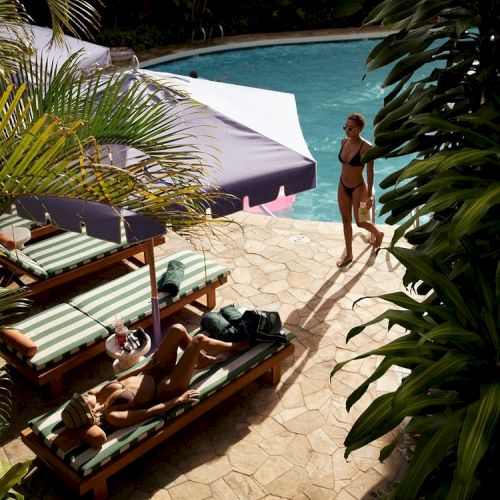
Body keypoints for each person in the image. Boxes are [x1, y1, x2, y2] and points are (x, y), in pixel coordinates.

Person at [61, 323, 249, 444]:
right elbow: (149, 412)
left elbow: (120, 379)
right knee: (198, 340)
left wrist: (147, 367)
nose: (85, 395)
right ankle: (236, 347)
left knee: (177, 329)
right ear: (89, 412)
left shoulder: (96, 393)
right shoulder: (113, 416)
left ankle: (200, 360)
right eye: (84, 400)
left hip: (153, 371)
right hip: (166, 388)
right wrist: (178, 400)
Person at [336, 112, 384, 267]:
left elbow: (370, 173)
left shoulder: (367, 148)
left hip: (358, 188)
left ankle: (378, 234)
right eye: (345, 127)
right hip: (343, 185)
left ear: (359, 129)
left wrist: (369, 196)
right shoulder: (344, 142)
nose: (346, 131)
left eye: (350, 128)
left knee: (361, 221)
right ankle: (349, 253)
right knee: (345, 220)